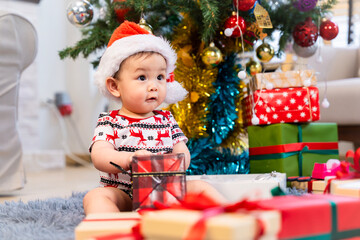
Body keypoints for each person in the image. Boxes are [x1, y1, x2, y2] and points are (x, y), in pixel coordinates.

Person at [83, 21, 227, 214]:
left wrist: (172, 162)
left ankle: (230, 214)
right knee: (96, 196)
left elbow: (182, 152)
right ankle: (109, 225)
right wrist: (128, 159)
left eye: (160, 77)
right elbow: (99, 155)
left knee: (200, 188)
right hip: (124, 192)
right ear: (115, 86)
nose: (154, 86)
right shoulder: (109, 121)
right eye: (142, 78)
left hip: (165, 188)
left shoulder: (166, 120)